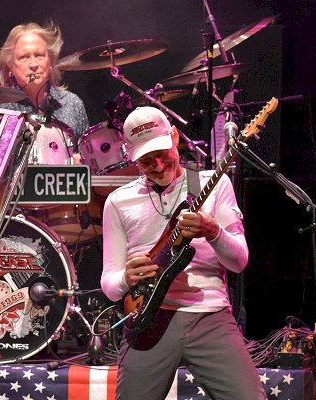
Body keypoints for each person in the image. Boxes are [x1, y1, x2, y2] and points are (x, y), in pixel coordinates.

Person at [101, 106, 265, 399]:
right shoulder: (118, 202)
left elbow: (239, 261)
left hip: (210, 317)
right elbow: (110, 287)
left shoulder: (213, 185)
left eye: (162, 152)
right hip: (149, 320)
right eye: (146, 159)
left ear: (175, 136)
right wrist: (126, 277)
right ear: (131, 156)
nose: (159, 164)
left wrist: (213, 232)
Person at [0, 21, 89, 143]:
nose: (33, 64)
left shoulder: (72, 103)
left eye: (39, 55)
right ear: (10, 68)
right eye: (23, 57)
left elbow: (89, 156)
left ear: (50, 61)